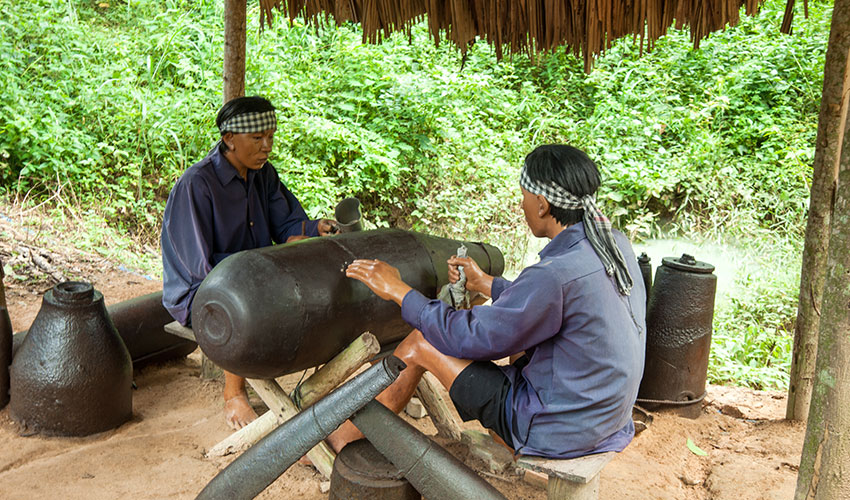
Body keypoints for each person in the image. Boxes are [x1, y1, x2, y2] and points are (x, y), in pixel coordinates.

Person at [329, 144, 646, 458]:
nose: (521, 205)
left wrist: (398, 290)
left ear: (542, 204)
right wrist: (487, 284)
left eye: (523, 196)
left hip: (558, 430)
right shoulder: (613, 245)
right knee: (515, 340)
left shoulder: (555, 275)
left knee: (420, 342)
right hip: (606, 419)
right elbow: (547, 303)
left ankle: (339, 441)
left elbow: (469, 339)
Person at [161, 96, 337, 430]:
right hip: (201, 291)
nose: (267, 146)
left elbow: (286, 225)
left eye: (270, 136)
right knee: (245, 301)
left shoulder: (262, 175)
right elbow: (198, 267)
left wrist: (313, 230)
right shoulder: (196, 185)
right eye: (257, 139)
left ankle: (322, 384)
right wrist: (254, 276)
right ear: (229, 139)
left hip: (253, 277)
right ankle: (234, 393)